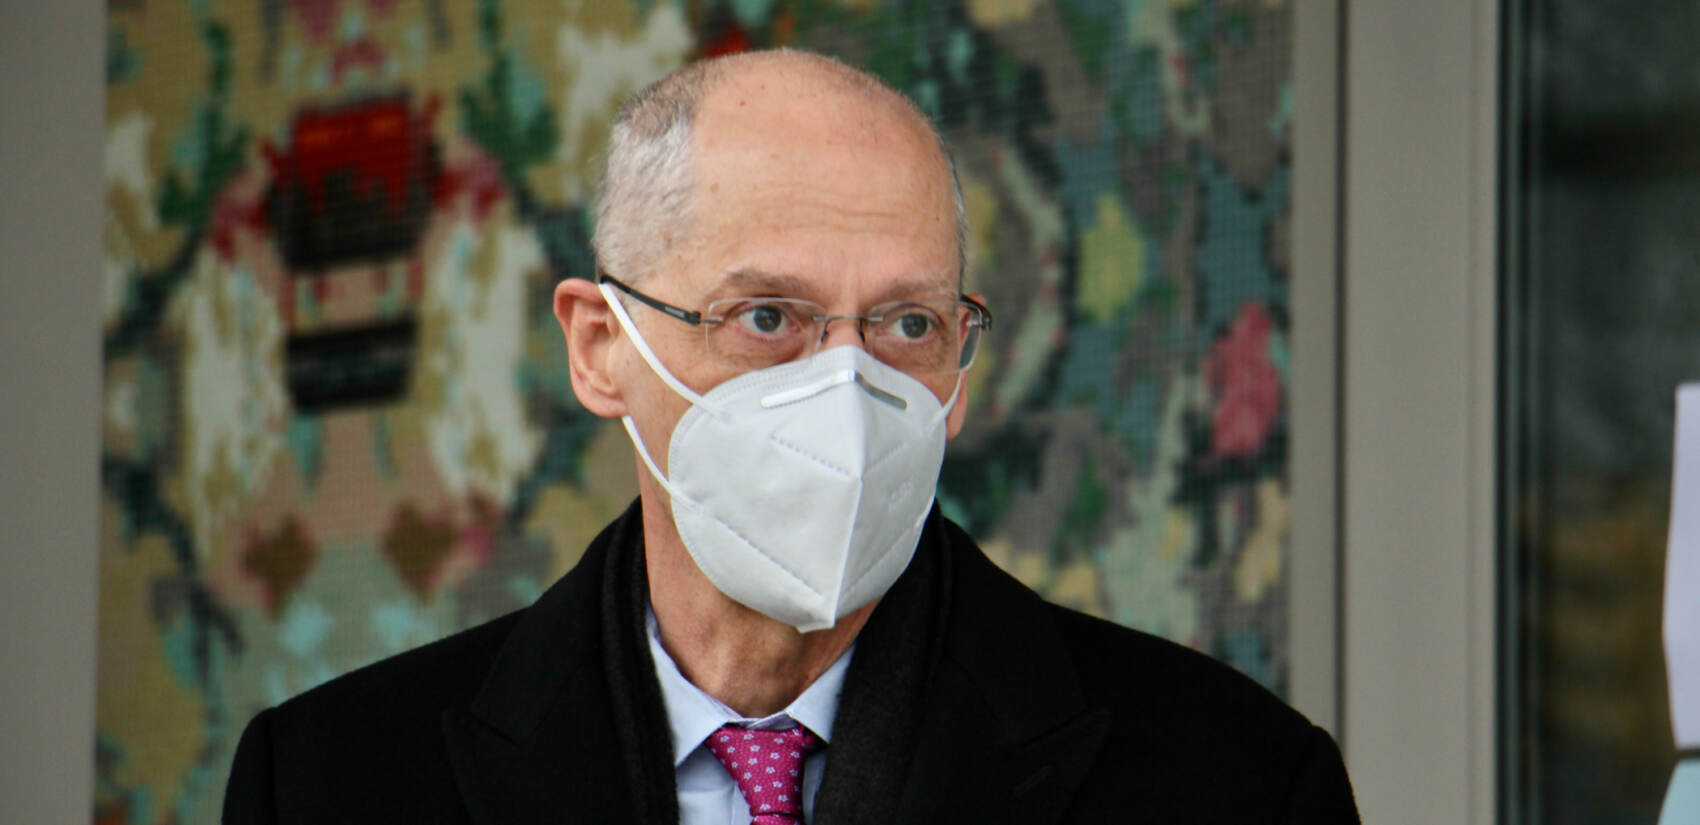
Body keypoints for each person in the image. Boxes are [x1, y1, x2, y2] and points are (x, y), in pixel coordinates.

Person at [223, 48, 1359, 824]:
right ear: (600, 349)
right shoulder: (336, 781)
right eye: (767, 316)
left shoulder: (1233, 784)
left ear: (960, 372)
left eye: (907, 324)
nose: (845, 385)